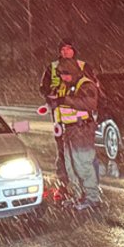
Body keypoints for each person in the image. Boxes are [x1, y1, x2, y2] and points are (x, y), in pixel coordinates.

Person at [40, 39, 97, 180]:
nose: (65, 52)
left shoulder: (83, 66)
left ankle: (84, 180)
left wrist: (69, 99)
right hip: (59, 114)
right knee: (62, 144)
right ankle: (65, 174)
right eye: (63, 49)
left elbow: (92, 88)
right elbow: (43, 87)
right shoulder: (52, 67)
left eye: (68, 49)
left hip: (79, 116)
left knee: (82, 151)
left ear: (74, 51)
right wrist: (51, 97)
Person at [56, 69, 102, 211]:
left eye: (66, 74)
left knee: (83, 165)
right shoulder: (66, 85)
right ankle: (77, 196)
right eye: (61, 75)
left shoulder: (86, 85)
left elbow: (89, 104)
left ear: (73, 73)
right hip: (70, 130)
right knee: (71, 166)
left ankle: (92, 198)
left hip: (82, 130)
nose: (63, 77)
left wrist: (65, 100)